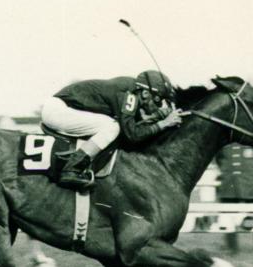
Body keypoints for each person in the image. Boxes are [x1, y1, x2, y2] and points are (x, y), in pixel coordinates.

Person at [40, 70, 185, 189]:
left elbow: (133, 127)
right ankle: (72, 168)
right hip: (58, 111)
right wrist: (163, 124)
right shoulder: (130, 97)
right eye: (159, 101)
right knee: (112, 126)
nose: (159, 106)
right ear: (146, 94)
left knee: (112, 126)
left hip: (60, 108)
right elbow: (132, 135)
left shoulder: (131, 90)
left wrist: (157, 117)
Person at [215, 144, 253, 255]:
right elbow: (219, 159)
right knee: (228, 217)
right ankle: (232, 247)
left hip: (250, 184)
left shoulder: (251, 143)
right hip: (229, 185)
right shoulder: (224, 145)